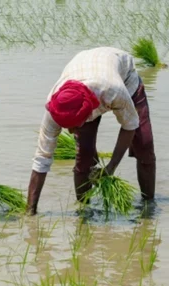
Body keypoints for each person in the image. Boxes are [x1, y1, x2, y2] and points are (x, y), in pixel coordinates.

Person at [27, 47, 155, 214]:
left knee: (144, 143)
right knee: (84, 154)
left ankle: (148, 207)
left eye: (74, 126)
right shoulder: (55, 107)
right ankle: (84, 209)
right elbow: (41, 159)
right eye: (67, 127)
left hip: (123, 75)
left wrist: (111, 167)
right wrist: (30, 211)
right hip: (84, 68)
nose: (71, 132)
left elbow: (130, 125)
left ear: (88, 113)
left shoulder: (113, 91)